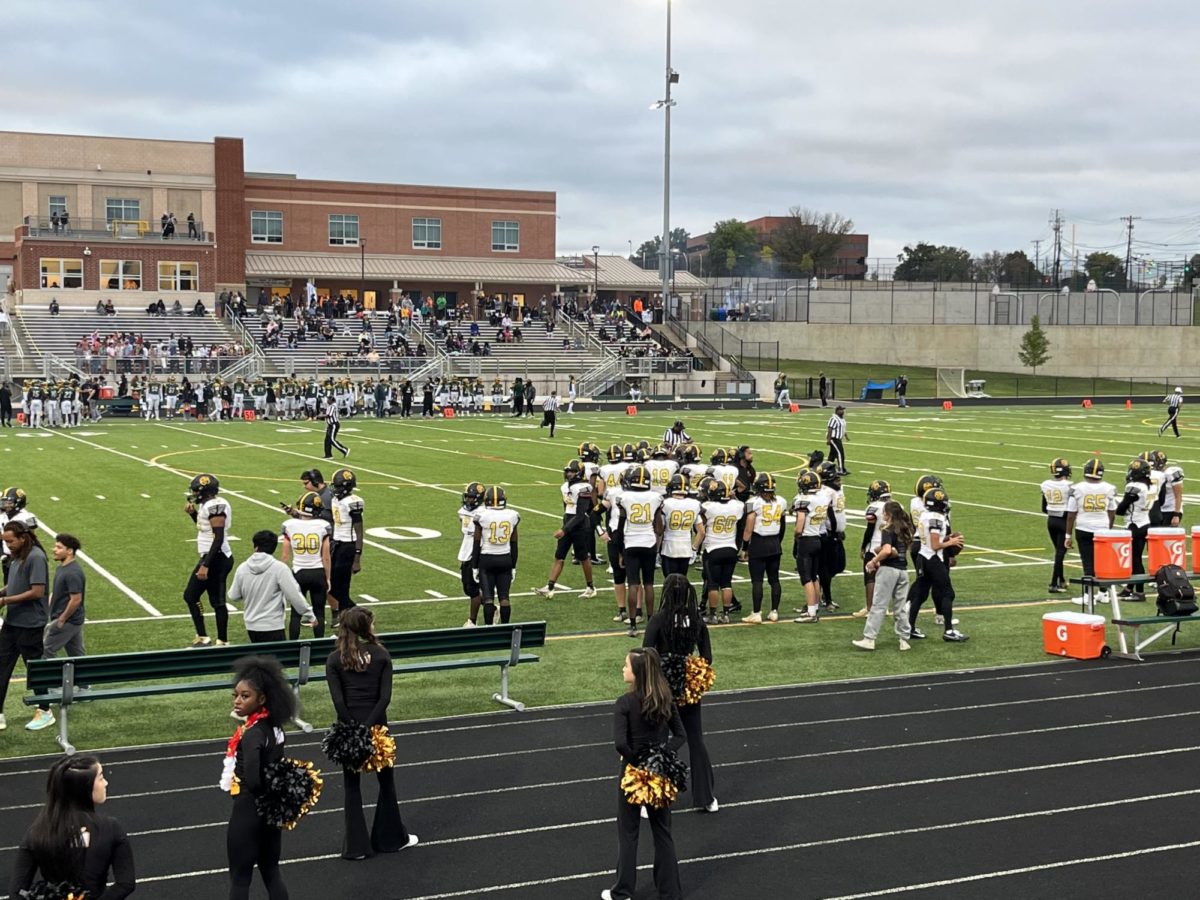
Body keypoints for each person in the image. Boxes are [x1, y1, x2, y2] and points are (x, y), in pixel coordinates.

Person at [326, 608, 418, 859]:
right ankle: (391, 840)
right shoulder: (381, 655)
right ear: (367, 627)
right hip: (377, 727)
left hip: (348, 730)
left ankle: (356, 847)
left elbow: (338, 701)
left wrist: (354, 729)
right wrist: (368, 729)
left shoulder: (335, 659)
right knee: (386, 783)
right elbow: (384, 698)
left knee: (351, 786)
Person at [603, 647, 684, 900]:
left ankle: (623, 892)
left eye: (626, 665)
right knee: (662, 832)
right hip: (659, 775)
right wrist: (660, 756)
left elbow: (620, 743)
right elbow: (680, 736)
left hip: (633, 775)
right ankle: (670, 892)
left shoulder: (624, 703)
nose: (623, 669)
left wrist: (637, 761)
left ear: (636, 673)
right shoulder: (665, 697)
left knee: (628, 832)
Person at [8, 755, 136, 899]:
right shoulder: (111, 828)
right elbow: (126, 883)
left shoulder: (38, 832)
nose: (105, 783)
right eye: (100, 778)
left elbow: (16, 892)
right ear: (84, 787)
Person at [223, 656, 297, 900]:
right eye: (236, 695)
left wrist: (253, 794)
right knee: (272, 871)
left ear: (262, 699)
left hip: (248, 810)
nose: (237, 701)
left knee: (240, 879)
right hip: (271, 812)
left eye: (245, 696)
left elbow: (254, 779)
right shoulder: (276, 728)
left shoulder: (253, 734)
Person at [644, 575, 717, 813]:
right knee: (696, 740)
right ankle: (706, 798)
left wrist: (665, 670)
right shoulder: (696, 620)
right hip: (689, 690)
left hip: (663, 691)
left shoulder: (658, 619)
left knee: (659, 742)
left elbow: (647, 654)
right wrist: (690, 672)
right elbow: (707, 658)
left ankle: (651, 798)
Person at [31, 533, 87, 730]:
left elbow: (76, 599)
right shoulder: (64, 568)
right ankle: (86, 686)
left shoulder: (72, 572)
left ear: (69, 551)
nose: (54, 549)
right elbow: (59, 592)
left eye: (58, 547)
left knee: (45, 651)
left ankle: (50, 687)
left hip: (66, 621)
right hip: (73, 620)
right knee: (76, 653)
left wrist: (61, 619)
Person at [0, 521, 50, 731]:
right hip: (12, 622)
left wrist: (5, 601)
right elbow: (17, 583)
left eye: (10, 541)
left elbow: (37, 591)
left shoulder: (36, 557)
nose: (7, 545)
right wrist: (3, 592)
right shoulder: (17, 556)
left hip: (30, 624)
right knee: (1, 666)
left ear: (22, 538)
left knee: (34, 669)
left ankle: (45, 710)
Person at [228, 530, 316, 643]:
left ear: (255, 546)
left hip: (251, 626)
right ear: (274, 548)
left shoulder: (242, 568)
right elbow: (294, 595)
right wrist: (309, 614)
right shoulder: (279, 568)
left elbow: (234, 595)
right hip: (273, 625)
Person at [854, 500, 914, 651]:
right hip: (903, 571)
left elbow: (887, 550)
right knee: (900, 608)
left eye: (884, 512)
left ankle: (869, 638)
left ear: (889, 514)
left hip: (889, 570)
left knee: (879, 605)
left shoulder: (888, 530)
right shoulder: (905, 529)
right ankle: (904, 639)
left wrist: (874, 560)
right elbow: (897, 551)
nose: (882, 515)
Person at [909, 486, 967, 642]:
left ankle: (909, 627)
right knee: (948, 593)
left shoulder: (924, 515)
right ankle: (949, 630)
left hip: (922, 556)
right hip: (932, 559)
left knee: (920, 595)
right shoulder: (937, 518)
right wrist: (951, 542)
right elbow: (935, 544)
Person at [534, 460, 598, 600]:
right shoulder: (564, 487)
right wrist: (565, 525)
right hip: (569, 523)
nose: (569, 474)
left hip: (580, 526)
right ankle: (550, 587)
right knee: (559, 555)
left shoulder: (584, 487)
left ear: (579, 473)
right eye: (567, 471)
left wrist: (564, 529)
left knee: (583, 557)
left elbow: (581, 514)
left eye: (572, 471)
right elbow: (567, 509)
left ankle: (590, 587)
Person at [183, 473, 232, 648]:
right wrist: (193, 514)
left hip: (216, 558)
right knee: (211, 599)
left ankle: (214, 639)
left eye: (197, 491)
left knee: (194, 596)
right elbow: (207, 529)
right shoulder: (209, 505)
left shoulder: (216, 506)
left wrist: (205, 565)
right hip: (215, 556)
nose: (195, 494)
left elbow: (218, 538)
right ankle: (213, 639)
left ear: (205, 491)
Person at [616, 464, 664, 631]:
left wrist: (620, 552)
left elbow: (620, 527)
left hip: (631, 542)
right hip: (649, 542)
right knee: (649, 584)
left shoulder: (624, 497)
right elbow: (659, 529)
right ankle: (651, 621)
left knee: (633, 584)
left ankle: (633, 624)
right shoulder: (656, 498)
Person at [472, 485, 521, 626]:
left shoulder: (482, 516)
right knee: (504, 597)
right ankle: (505, 628)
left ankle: (489, 629)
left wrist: (475, 566)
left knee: (488, 598)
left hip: (486, 559)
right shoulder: (513, 515)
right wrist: (513, 566)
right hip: (505, 558)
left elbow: (476, 543)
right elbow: (514, 544)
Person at [741, 473, 786, 623]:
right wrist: (778, 541)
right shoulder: (781, 501)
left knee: (757, 580)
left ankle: (756, 612)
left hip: (759, 543)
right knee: (774, 580)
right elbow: (783, 525)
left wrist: (745, 547)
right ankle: (774, 611)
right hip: (774, 543)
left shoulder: (754, 502)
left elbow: (748, 528)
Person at [1064, 459, 1116, 584]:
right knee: (1103, 562)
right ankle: (1103, 593)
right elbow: (1112, 512)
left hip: (1083, 528)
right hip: (1102, 529)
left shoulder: (1076, 488)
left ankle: (1088, 595)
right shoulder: (1109, 488)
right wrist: (1108, 529)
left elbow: (1071, 514)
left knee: (1088, 564)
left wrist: (1068, 535)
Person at [1116, 459, 1154, 601]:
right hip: (1145, 522)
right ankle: (1129, 588)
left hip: (1135, 525)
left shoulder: (1135, 486)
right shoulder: (1150, 486)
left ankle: (1139, 592)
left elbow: (1121, 510)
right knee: (1135, 558)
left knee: (1135, 560)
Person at [329, 468, 363, 623]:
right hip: (337, 544)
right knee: (331, 586)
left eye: (337, 486)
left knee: (341, 588)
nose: (335, 489)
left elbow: (359, 531)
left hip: (348, 546)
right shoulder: (337, 500)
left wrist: (357, 557)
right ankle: (359, 614)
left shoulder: (353, 502)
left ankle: (349, 620)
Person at [1041, 459, 1072, 594]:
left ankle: (1061, 580)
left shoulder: (1046, 484)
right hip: (1063, 521)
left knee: (1059, 552)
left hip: (1051, 520)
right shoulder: (1069, 486)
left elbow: (1043, 508)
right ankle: (1054, 583)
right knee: (1060, 553)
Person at [323, 393, 350, 459]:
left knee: (332, 440)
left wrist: (319, 416)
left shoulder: (333, 406)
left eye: (328, 399)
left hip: (333, 424)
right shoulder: (330, 406)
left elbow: (329, 415)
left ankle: (344, 450)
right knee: (327, 440)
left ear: (331, 400)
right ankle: (328, 455)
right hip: (330, 424)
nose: (327, 401)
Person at [826, 405, 849, 476]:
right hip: (834, 439)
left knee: (832, 455)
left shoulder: (841, 419)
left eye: (843, 410)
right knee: (840, 454)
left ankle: (827, 468)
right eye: (841, 410)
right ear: (837, 411)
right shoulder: (834, 419)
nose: (843, 411)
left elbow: (843, 429)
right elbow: (830, 429)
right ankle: (841, 470)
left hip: (838, 439)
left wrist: (846, 436)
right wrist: (829, 439)